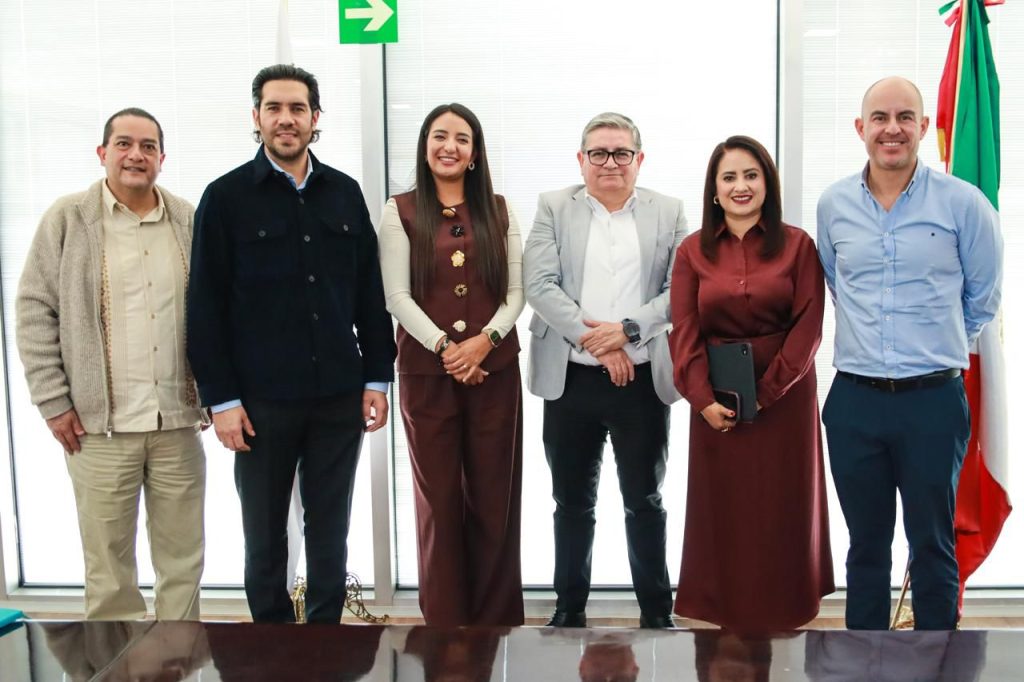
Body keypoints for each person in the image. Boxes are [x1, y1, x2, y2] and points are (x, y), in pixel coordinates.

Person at [187, 64, 396, 623]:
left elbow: (369, 295)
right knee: (264, 536)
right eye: (274, 108)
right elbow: (204, 308)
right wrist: (221, 400)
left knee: (330, 531)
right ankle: (272, 645)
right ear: (256, 117)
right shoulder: (225, 197)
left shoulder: (344, 193)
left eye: (297, 108)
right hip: (260, 404)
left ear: (315, 117)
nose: (286, 119)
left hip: (337, 396)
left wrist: (377, 378)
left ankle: (325, 641)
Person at [817, 76, 1002, 630]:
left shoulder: (963, 203)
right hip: (855, 403)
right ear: (861, 128)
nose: (891, 129)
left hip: (933, 403)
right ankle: (863, 661)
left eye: (904, 117)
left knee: (933, 545)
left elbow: (983, 298)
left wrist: (934, 346)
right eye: (879, 118)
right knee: (865, 548)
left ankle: (937, 662)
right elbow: (838, 285)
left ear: (924, 127)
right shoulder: (834, 205)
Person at [16, 108, 206, 620]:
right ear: (102, 153)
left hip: (176, 425)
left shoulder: (188, 220)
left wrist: (215, 393)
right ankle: (113, 661)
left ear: (162, 158)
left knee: (183, 564)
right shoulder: (68, 219)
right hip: (99, 430)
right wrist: (53, 402)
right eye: (124, 144)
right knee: (108, 571)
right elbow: (34, 309)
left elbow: (218, 310)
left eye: (148, 146)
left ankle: (179, 658)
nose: (135, 155)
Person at [523, 112, 686, 629]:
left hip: (641, 382)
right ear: (581, 159)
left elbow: (681, 290)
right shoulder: (553, 206)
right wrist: (598, 341)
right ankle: (568, 610)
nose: (609, 163)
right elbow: (539, 285)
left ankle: (657, 613)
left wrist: (628, 332)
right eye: (598, 153)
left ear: (639, 159)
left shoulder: (669, 211)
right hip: (571, 379)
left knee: (645, 500)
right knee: (571, 503)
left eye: (621, 153)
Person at [669, 135, 834, 632]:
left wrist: (765, 394)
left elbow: (809, 328)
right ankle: (728, 615)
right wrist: (702, 399)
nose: (740, 186)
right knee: (728, 511)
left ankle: (784, 613)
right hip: (716, 401)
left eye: (750, 175)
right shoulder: (692, 251)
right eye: (729, 177)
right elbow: (684, 331)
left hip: (785, 398)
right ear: (714, 190)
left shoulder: (798, 245)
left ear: (767, 183)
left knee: (781, 507)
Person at [379, 103, 525, 626]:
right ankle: (445, 626)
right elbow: (396, 296)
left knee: (494, 499)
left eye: (462, 138)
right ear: (425, 147)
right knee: (438, 502)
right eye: (440, 136)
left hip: (495, 372)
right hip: (427, 377)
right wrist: (447, 348)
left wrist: (485, 341)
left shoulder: (500, 210)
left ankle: (495, 625)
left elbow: (515, 293)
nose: (450, 146)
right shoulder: (399, 210)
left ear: (475, 152)